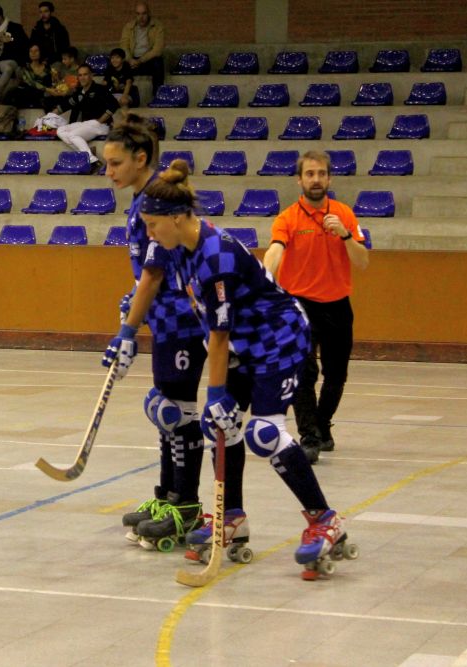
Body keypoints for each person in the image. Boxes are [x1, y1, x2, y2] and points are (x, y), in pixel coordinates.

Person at [139, 159, 354, 576]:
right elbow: (208, 321)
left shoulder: (214, 255)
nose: (149, 233)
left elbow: (218, 335)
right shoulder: (180, 250)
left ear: (179, 218)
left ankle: (325, 520)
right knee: (220, 425)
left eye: (153, 225)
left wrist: (217, 393)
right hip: (242, 340)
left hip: (280, 338)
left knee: (264, 433)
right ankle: (231, 517)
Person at [100, 115, 207, 550]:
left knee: (178, 413)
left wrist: (127, 331)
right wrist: (135, 304)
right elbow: (145, 277)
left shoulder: (159, 200)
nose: (108, 172)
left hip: (183, 322)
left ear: (140, 158)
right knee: (165, 411)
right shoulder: (139, 199)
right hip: (163, 321)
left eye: (115, 163)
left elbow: (154, 276)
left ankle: (187, 505)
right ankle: (168, 497)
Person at [263, 151, 369, 461]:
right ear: (300, 180)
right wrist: (266, 278)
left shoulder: (344, 214)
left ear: (330, 178)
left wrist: (346, 235)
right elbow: (275, 250)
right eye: (310, 174)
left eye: (321, 173)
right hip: (299, 307)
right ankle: (309, 436)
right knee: (303, 372)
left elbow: (362, 262)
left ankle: (322, 425)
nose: (316, 179)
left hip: (337, 305)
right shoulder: (288, 218)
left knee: (337, 375)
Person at [53, 63, 119, 171]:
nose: (82, 77)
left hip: (101, 125)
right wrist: (48, 117)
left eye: (85, 74)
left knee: (73, 135)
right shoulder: (79, 92)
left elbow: (114, 104)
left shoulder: (100, 89)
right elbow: (65, 105)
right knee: (60, 130)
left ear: (91, 76)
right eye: (80, 75)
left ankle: (89, 158)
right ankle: (90, 156)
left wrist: (100, 120)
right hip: (86, 124)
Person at [119, 2, 164, 96]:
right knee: (117, 63)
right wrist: (130, 59)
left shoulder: (158, 27)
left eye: (144, 13)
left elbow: (157, 50)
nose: (141, 17)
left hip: (147, 60)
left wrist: (140, 60)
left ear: (149, 13)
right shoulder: (128, 27)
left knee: (158, 63)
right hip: (132, 60)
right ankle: (122, 95)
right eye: (138, 14)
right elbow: (123, 46)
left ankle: (157, 95)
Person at [4, 43, 52, 109]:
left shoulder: (47, 68)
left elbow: (51, 82)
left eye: (36, 51)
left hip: (43, 94)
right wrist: (48, 89)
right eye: (31, 51)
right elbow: (31, 82)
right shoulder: (25, 67)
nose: (33, 53)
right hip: (29, 93)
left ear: (41, 52)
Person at [29, 1, 69, 65]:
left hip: (56, 60)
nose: (43, 14)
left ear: (51, 12)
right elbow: (32, 46)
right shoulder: (36, 30)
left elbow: (64, 49)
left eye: (46, 11)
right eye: (40, 12)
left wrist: (49, 61)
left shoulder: (60, 29)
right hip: (39, 60)